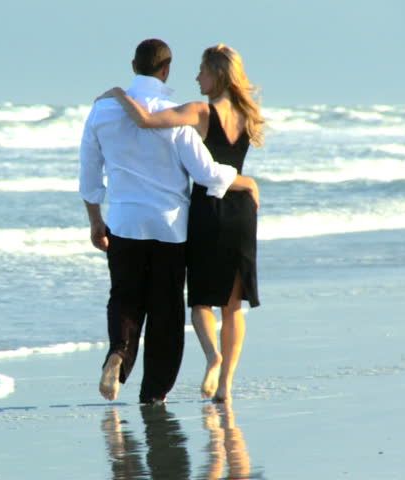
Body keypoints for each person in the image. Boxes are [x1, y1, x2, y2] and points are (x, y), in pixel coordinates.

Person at [80, 39, 259, 404]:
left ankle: (118, 354)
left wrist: (96, 221)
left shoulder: (101, 111)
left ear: (134, 65)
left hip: (125, 221)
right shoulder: (176, 115)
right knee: (166, 308)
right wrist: (245, 182)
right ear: (166, 70)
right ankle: (154, 393)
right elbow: (205, 172)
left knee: (125, 297)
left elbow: (89, 175)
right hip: (171, 226)